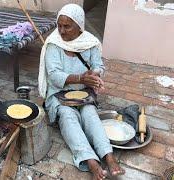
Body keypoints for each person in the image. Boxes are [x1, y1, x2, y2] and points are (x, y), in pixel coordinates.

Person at [38, 4, 125, 180]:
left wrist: (95, 74)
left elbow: (99, 66)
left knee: (90, 114)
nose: (61, 30)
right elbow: (54, 76)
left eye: (67, 26)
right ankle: (91, 160)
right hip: (58, 94)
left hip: (84, 93)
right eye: (59, 25)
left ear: (79, 26)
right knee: (68, 116)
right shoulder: (54, 44)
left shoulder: (90, 42)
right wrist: (80, 78)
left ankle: (108, 155)